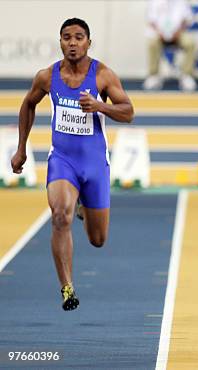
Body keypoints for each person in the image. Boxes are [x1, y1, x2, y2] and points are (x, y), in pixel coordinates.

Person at [11, 18, 134, 311]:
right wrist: (21, 149)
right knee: (60, 217)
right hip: (63, 161)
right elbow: (28, 104)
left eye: (79, 37)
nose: (73, 43)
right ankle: (67, 287)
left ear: (88, 43)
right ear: (61, 42)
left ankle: (83, 206)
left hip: (94, 166)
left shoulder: (102, 75)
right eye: (67, 37)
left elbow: (128, 112)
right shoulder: (47, 77)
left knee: (98, 239)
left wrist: (100, 106)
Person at [143, 0, 197, 91]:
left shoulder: (182, 2)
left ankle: (187, 76)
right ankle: (153, 76)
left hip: (178, 34)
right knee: (152, 43)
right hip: (159, 34)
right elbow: (151, 21)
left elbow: (187, 20)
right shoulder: (154, 2)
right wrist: (160, 33)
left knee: (190, 43)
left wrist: (178, 32)